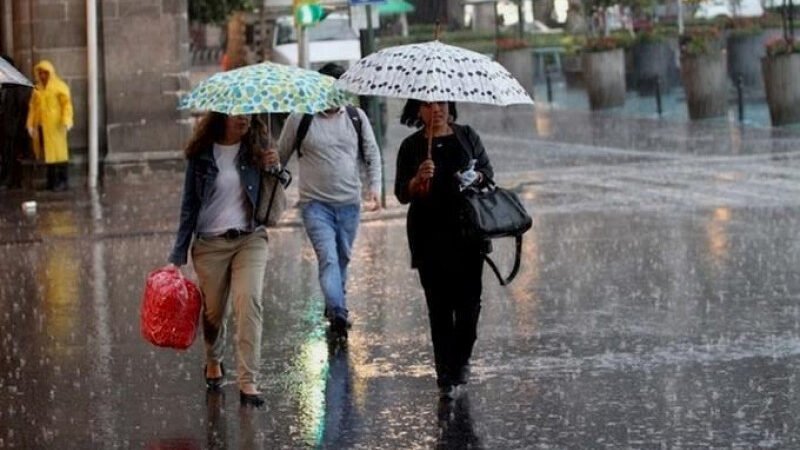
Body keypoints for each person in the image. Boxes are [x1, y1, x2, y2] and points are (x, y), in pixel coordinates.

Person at [168, 112, 282, 408]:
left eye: (248, 113)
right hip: (210, 244)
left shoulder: (257, 146)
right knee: (214, 313)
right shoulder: (202, 154)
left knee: (249, 302)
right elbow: (189, 206)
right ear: (222, 115)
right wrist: (177, 256)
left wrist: (274, 168)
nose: (244, 119)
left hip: (250, 238)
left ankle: (248, 382)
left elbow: (273, 194)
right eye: (237, 114)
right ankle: (213, 359)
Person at [394, 100, 494, 400]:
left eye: (441, 103)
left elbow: (487, 172)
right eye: (428, 105)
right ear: (418, 111)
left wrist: (476, 176)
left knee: (469, 306)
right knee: (439, 308)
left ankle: (461, 359)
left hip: (468, 233)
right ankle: (445, 375)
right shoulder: (411, 146)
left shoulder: (467, 136)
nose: (436, 109)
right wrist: (417, 180)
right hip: (428, 236)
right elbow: (401, 193)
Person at [275, 63, 382, 339]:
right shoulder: (300, 118)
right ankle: (338, 311)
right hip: (315, 205)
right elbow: (280, 156)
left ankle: (335, 302)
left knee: (342, 257)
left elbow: (371, 153)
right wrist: (269, 170)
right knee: (329, 259)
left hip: (349, 203)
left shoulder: (356, 117)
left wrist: (375, 188)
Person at [26, 60, 73, 191]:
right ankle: (51, 181)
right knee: (48, 155)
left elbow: (66, 105)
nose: (42, 76)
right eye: (40, 73)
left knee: (60, 154)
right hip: (43, 126)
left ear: (50, 73)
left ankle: (63, 181)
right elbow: (33, 108)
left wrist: (66, 120)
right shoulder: (37, 89)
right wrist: (30, 124)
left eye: (45, 73)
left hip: (57, 126)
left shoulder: (60, 87)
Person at [0, 55, 32, 190]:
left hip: (14, 129)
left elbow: (22, 108)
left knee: (12, 155)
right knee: (5, 154)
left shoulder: (18, 86)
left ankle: (11, 180)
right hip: (4, 127)